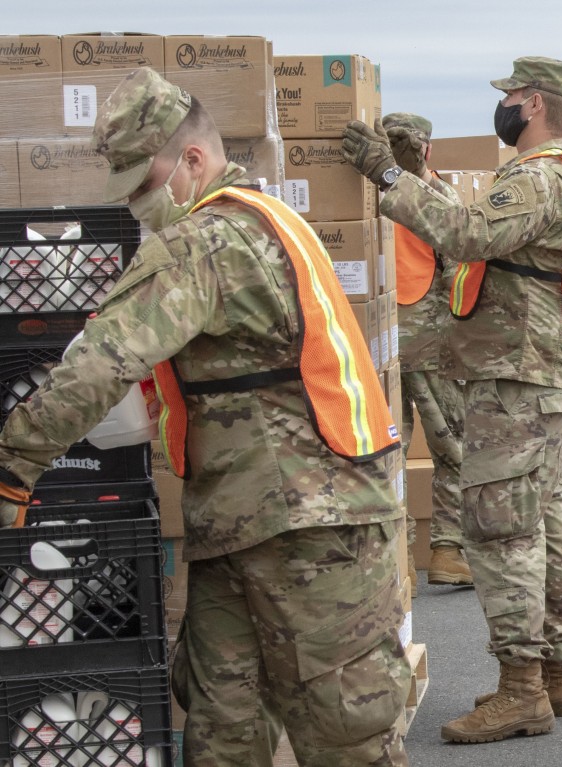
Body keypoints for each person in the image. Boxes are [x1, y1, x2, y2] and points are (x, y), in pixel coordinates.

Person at [0, 68, 410, 766]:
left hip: (311, 531)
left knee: (344, 736)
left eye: (141, 185)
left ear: (192, 160)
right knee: (222, 726)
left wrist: (11, 471)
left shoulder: (209, 242)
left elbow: (102, 359)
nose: (134, 205)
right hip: (242, 523)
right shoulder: (262, 218)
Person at [342, 55, 562, 745]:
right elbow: (476, 227)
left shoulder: (540, 177)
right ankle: (553, 675)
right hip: (536, 375)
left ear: (534, 103)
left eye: (511, 94)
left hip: (518, 379)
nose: (504, 104)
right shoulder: (551, 177)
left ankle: (522, 692)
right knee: (543, 521)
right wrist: (415, 177)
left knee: (501, 529)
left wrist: (387, 177)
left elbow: (467, 233)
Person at [381, 112, 473, 590]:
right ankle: (447, 551)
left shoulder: (370, 193)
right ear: (428, 150)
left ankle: (396, 563)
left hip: (378, 339)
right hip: (433, 339)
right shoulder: (437, 195)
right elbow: (463, 264)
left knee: (385, 451)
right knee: (453, 447)